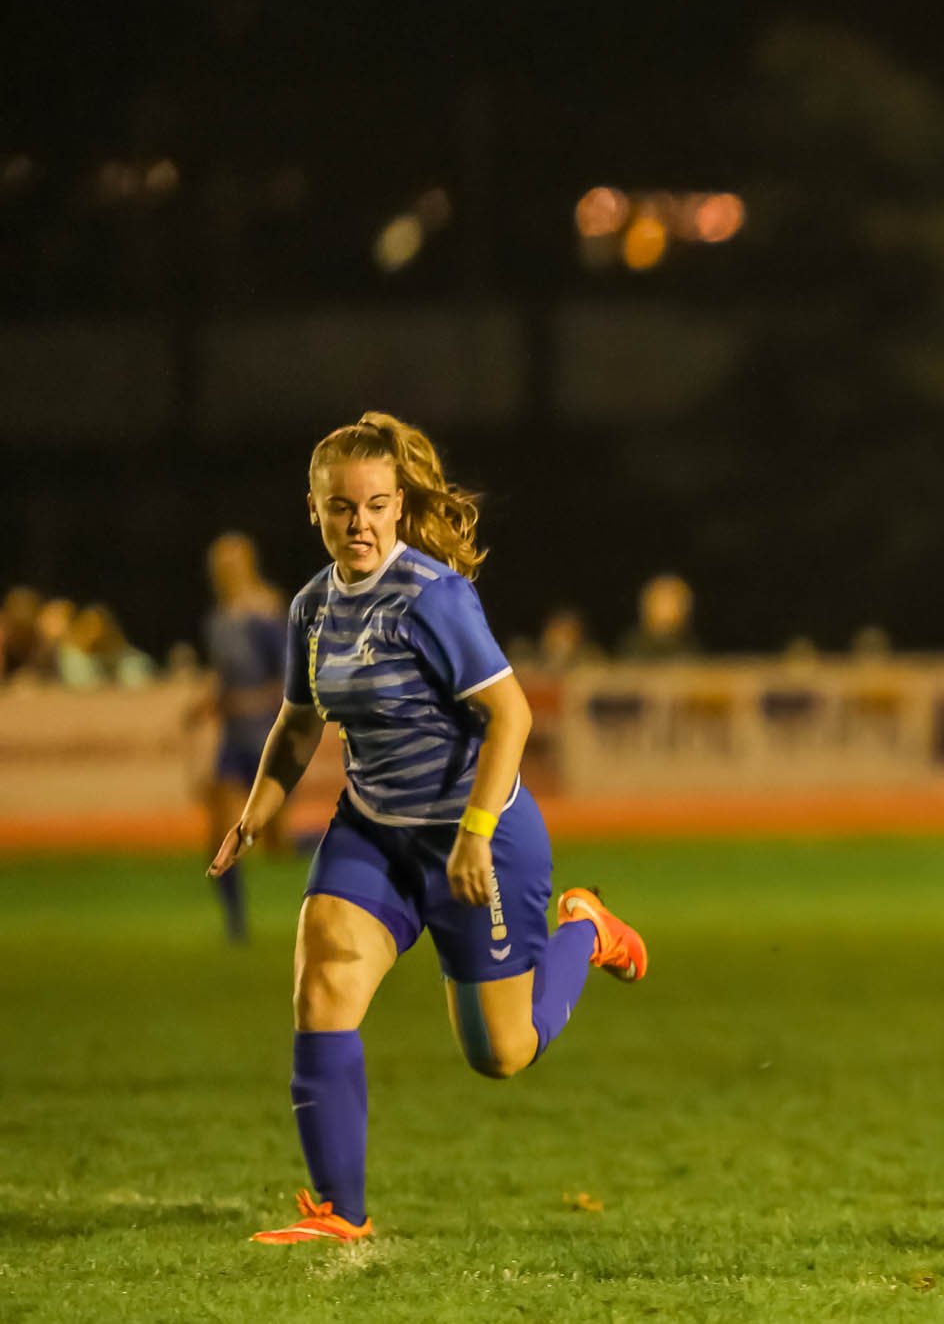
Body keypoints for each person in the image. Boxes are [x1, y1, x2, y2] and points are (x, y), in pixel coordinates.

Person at [208, 412, 648, 1245]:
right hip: (373, 830)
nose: (361, 523)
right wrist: (259, 806)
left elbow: (511, 715)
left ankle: (587, 929)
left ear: (399, 507)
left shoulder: (432, 597)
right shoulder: (311, 607)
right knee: (323, 979)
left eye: (377, 506)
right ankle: (342, 1209)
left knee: (502, 1052)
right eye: (343, 507)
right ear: (314, 508)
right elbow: (298, 721)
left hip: (479, 839)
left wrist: (475, 833)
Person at [194, 532, 290, 943]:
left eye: (230, 564)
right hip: (233, 743)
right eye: (218, 566)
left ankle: (346, 845)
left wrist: (246, 703)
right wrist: (206, 705)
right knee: (220, 833)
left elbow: (288, 682)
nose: (223, 572)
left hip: (267, 739)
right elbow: (226, 681)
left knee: (278, 844)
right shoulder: (217, 619)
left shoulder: (267, 613)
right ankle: (236, 926)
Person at [618, 573, 698, 661]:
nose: (668, 609)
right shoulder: (630, 649)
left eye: (674, 603)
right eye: (662, 602)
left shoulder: (692, 650)